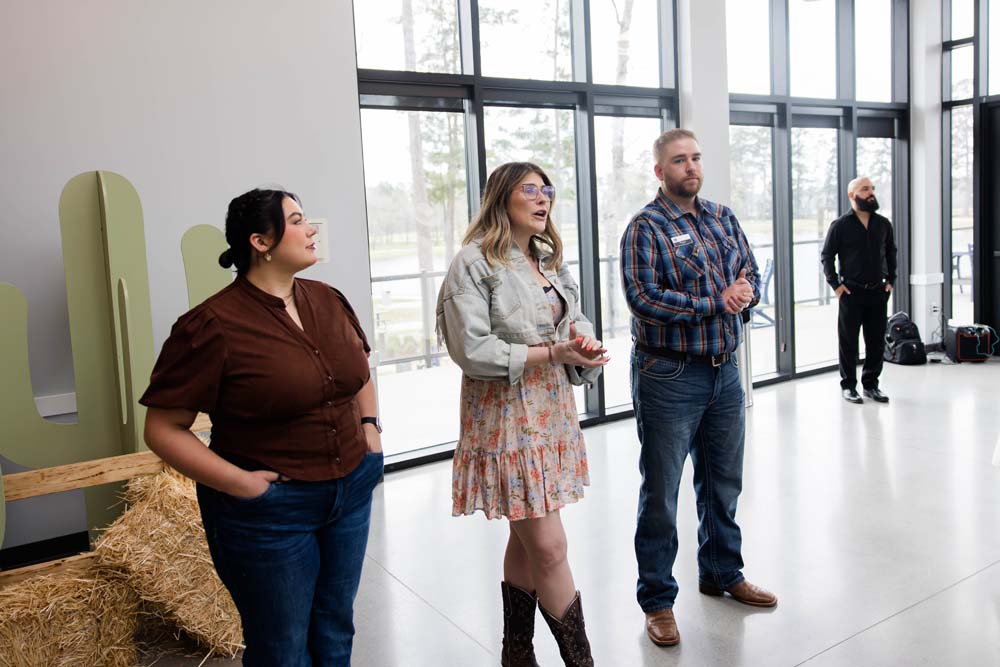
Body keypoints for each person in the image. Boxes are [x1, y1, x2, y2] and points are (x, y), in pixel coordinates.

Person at [140, 188, 383, 666]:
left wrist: (370, 429)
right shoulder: (211, 325)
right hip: (270, 512)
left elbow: (360, 371)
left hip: (351, 489)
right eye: (297, 220)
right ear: (260, 241)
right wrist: (243, 485)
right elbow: (163, 429)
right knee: (282, 647)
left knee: (336, 627)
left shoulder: (329, 299)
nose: (311, 229)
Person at [436, 162, 609, 667]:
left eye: (546, 189)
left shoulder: (547, 260)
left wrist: (582, 345)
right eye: (529, 190)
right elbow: (472, 350)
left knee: (526, 538)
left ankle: (516, 654)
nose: (542, 198)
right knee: (550, 549)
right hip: (506, 421)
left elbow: (573, 318)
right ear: (501, 199)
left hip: (551, 415)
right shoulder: (473, 263)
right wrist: (552, 353)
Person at [620, 129, 777, 648]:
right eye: (678, 160)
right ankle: (657, 601)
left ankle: (722, 573)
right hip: (669, 375)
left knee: (723, 484)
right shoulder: (646, 227)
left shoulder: (722, 217)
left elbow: (749, 272)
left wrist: (745, 291)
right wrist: (716, 302)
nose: (691, 167)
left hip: (724, 371)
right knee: (661, 494)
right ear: (660, 171)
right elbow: (644, 298)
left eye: (695, 158)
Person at [821, 176, 897, 404]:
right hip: (851, 293)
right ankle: (848, 387)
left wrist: (891, 281)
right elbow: (827, 256)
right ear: (852, 195)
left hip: (878, 292)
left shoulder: (883, 224)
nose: (871, 192)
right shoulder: (840, 225)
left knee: (876, 341)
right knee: (848, 342)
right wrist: (836, 285)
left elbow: (891, 253)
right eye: (865, 189)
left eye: (872, 188)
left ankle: (871, 385)